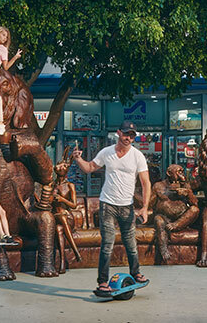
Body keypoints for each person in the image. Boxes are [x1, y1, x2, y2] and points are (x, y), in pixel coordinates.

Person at [71, 121, 151, 294]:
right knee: (107, 244)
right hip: (107, 204)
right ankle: (102, 282)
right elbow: (90, 168)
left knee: (131, 243)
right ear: (118, 133)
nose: (128, 138)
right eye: (126, 134)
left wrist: (144, 207)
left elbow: (145, 183)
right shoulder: (107, 152)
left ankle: (136, 273)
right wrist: (78, 159)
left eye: (132, 135)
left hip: (127, 206)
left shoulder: (137, 156)